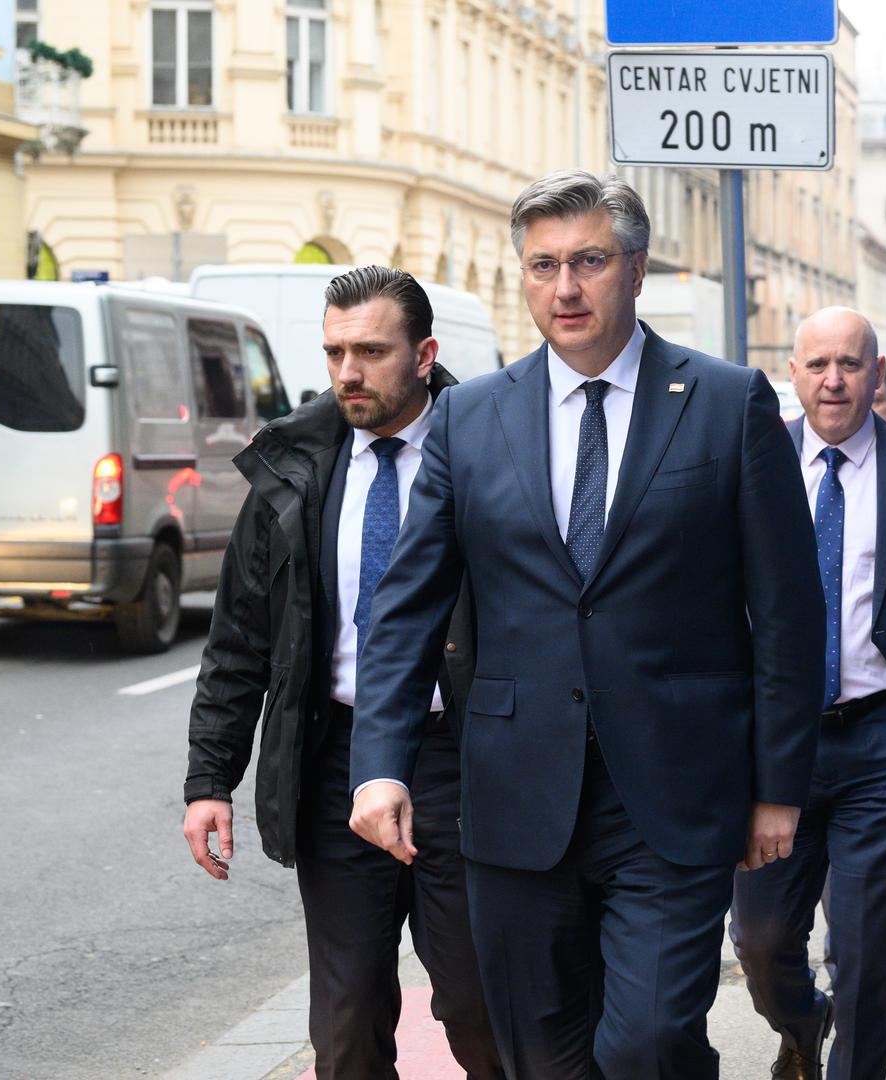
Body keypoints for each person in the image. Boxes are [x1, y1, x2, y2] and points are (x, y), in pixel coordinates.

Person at [345, 170, 825, 1079]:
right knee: (541, 1054)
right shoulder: (469, 416)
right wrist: (379, 765)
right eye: (543, 266)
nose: (564, 288)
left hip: (674, 792)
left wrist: (777, 786)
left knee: (647, 1041)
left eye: (589, 262)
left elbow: (788, 612)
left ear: (636, 269)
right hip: (516, 793)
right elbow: (405, 611)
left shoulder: (726, 403)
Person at [181, 266, 501, 1079]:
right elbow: (239, 638)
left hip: (460, 761)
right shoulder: (291, 466)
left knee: (480, 1007)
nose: (348, 373)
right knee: (347, 1022)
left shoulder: (490, 452)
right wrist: (209, 780)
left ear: (424, 354)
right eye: (334, 353)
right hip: (337, 759)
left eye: (371, 352)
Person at [729, 307, 886, 1080]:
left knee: (868, 954)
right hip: (776, 749)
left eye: (849, 364)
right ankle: (802, 1023)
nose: (833, 381)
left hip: (884, 739)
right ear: (793, 375)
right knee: (761, 941)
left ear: (877, 373)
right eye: (817, 365)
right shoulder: (751, 460)